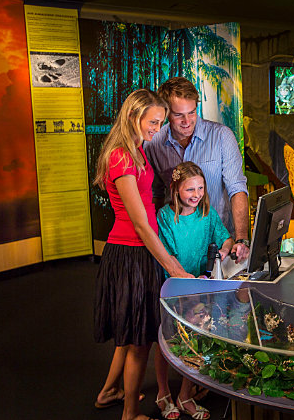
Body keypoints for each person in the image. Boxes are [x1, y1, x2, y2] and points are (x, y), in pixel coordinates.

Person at [93, 89, 194, 420]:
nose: (157, 128)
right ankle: (130, 413)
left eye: (161, 122)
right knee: (139, 341)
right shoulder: (122, 157)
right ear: (133, 116)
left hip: (139, 251)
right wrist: (172, 266)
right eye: (153, 122)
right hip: (131, 253)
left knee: (128, 333)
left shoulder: (135, 150)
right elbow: (140, 224)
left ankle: (110, 391)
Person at [153, 161, 234, 419]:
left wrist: (224, 250)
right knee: (167, 339)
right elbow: (168, 256)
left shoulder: (206, 213)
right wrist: (187, 279)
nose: (196, 194)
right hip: (175, 286)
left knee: (198, 337)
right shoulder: (165, 217)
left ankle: (185, 394)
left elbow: (225, 237)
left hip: (201, 285)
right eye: (190, 189)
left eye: (200, 188)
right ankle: (163, 392)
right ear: (176, 189)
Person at [144, 77, 250, 263]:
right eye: (179, 115)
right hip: (178, 250)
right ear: (166, 113)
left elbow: (237, 189)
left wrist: (241, 239)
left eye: (192, 112)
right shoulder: (153, 144)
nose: (187, 121)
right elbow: (156, 195)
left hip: (220, 244)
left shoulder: (221, 136)